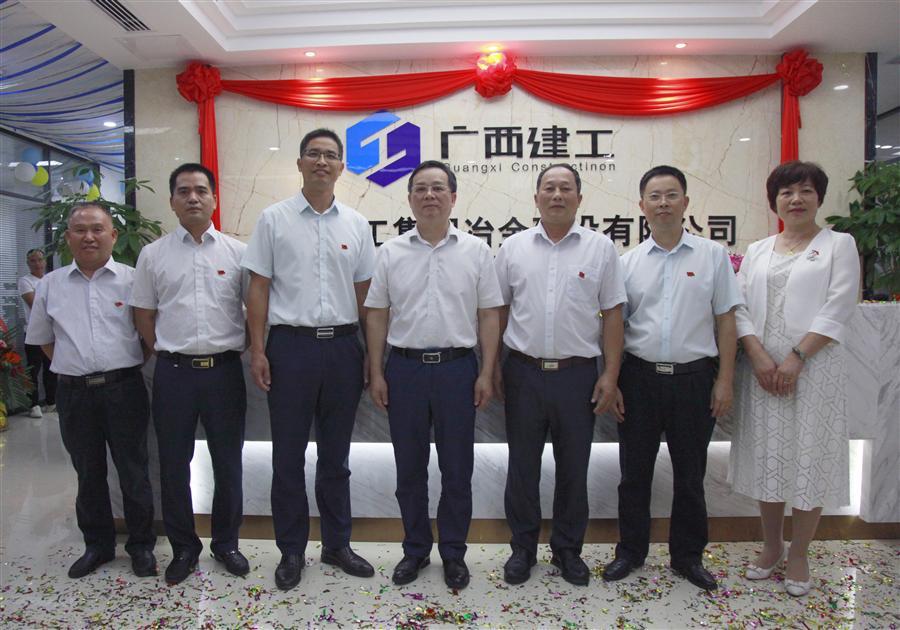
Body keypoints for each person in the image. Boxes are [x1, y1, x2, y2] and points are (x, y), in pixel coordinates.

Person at [242, 128, 377, 590]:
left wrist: (370, 356)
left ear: (342, 167)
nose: (322, 162)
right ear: (299, 163)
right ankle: (291, 550)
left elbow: (366, 296)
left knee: (336, 458)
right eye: (313, 154)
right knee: (287, 458)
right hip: (290, 348)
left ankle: (337, 545)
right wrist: (258, 349)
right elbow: (258, 288)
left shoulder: (356, 224)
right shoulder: (273, 219)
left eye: (330, 155)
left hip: (343, 348)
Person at [603, 165, 742, 591]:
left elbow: (726, 320)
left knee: (690, 475)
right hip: (639, 379)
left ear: (686, 202)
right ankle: (630, 551)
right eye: (655, 196)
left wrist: (725, 380)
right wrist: (614, 380)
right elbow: (615, 326)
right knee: (634, 474)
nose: (663, 203)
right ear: (641, 205)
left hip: (694, 380)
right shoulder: (627, 263)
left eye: (671, 195)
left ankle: (687, 557)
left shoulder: (712, 256)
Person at [366, 160, 502, 589]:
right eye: (420, 188)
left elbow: (489, 315)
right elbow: (377, 315)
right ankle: (415, 550)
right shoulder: (390, 253)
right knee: (409, 469)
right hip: (404, 370)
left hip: (457, 370)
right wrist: (376, 371)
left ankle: (454, 553)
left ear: (453, 198)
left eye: (438, 188)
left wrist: (487, 371)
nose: (429, 195)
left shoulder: (476, 251)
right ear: (409, 199)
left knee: (457, 469)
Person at [729, 161, 860, 597]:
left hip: (814, 368)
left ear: (818, 197)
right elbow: (738, 307)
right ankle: (772, 545)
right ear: (775, 201)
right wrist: (758, 356)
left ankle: (800, 551)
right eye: (786, 192)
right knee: (770, 455)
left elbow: (840, 305)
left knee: (809, 455)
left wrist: (797, 357)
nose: (796, 199)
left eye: (805, 191)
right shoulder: (758, 250)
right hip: (763, 370)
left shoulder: (838, 245)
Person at [494, 163, 625, 586]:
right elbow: (498, 311)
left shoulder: (600, 249)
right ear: (535, 198)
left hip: (577, 375)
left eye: (565, 188)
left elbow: (613, 314)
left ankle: (568, 551)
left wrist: (610, 374)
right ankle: (523, 549)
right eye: (548, 188)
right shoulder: (513, 247)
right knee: (522, 467)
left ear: (579, 198)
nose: (556, 195)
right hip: (523, 372)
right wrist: (491, 367)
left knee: (574, 466)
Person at [131, 163, 250, 585]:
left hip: (224, 373)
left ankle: (226, 543)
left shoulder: (238, 253)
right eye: (184, 191)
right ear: (172, 201)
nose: (193, 197)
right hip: (174, 374)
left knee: (228, 464)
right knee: (173, 465)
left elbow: (254, 312)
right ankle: (184, 547)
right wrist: (168, 350)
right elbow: (144, 315)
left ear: (214, 198)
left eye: (201, 190)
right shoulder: (153, 255)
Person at [25, 202, 156, 579]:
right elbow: (44, 341)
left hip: (124, 388)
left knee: (133, 470)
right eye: (80, 230)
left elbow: (146, 335)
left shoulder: (133, 280)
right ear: (68, 238)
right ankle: (97, 545)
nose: (89, 237)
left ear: (112, 235)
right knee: (88, 472)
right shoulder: (51, 285)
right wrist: (75, 367)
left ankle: (141, 546)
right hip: (75, 394)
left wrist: (124, 363)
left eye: (97, 229)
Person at [18, 248, 56, 418]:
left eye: (40, 260)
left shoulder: (50, 280)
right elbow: (35, 305)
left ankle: (51, 402)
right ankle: (33, 405)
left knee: (51, 368)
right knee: (33, 370)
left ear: (45, 261)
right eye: (33, 261)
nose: (37, 263)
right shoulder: (25, 281)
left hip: (52, 331)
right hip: (33, 332)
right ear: (28, 263)